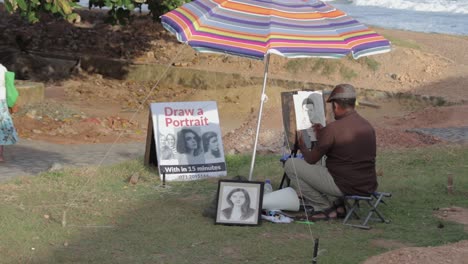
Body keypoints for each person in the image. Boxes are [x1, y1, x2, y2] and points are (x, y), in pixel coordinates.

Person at [285, 84, 377, 221]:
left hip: (344, 185)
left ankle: (324, 207)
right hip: (367, 184)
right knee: (324, 165)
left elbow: (311, 159)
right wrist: (323, 133)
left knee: (291, 164)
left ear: (336, 106)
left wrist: (302, 145)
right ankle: (339, 205)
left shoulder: (333, 128)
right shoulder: (367, 126)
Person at [0, 64, 19, 162]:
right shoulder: (3, 68)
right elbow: (9, 87)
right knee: (2, 130)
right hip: (2, 103)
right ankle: (0, 156)